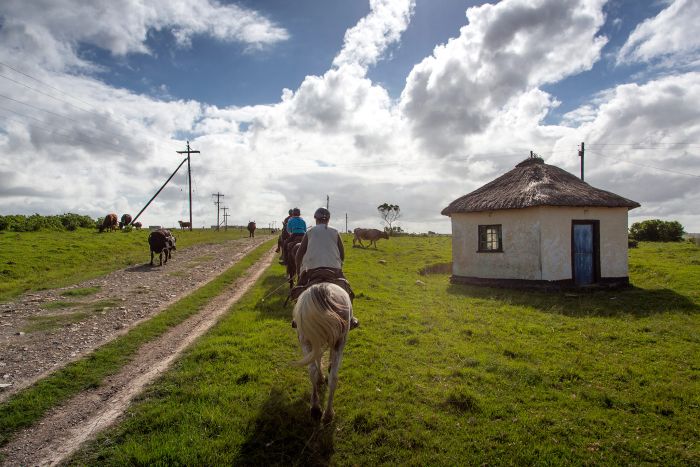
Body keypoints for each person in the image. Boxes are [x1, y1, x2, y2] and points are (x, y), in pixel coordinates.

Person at [293, 207, 358, 329]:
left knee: (298, 290)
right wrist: (338, 265)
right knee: (347, 290)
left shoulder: (310, 232)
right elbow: (342, 254)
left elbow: (299, 254)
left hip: (311, 270)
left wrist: (298, 271)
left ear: (315, 219)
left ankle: (297, 318)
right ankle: (350, 319)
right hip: (334, 270)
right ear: (328, 219)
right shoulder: (334, 232)